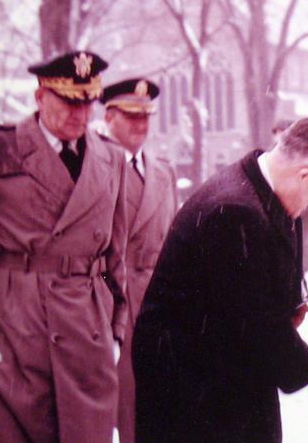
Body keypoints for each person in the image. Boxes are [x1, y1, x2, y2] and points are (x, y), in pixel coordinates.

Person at [132, 118, 308, 442]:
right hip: (192, 388)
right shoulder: (233, 211)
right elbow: (255, 320)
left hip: (223, 374)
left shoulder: (262, 191)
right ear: (304, 175)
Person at [0, 51, 129, 442]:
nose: (80, 114)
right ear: (40, 96)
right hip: (18, 330)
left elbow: (116, 257)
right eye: (68, 101)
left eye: (87, 103)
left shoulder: (110, 159)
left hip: (87, 336)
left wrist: (114, 330)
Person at [100, 78, 178, 443]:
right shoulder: (91, 167)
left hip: (154, 308)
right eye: (132, 116)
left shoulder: (163, 172)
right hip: (103, 306)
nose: (141, 125)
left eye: (146, 116)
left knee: (153, 410)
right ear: (109, 116)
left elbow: (172, 247)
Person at [272, 119, 308, 273]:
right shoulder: (268, 158)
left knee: (300, 252)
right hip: (275, 212)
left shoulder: (307, 158)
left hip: (301, 212)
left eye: (285, 133)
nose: (281, 137)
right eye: (278, 133)